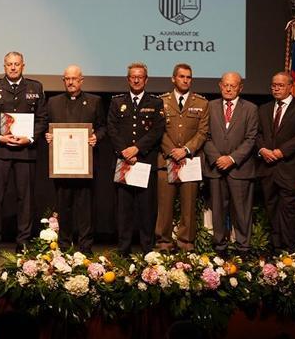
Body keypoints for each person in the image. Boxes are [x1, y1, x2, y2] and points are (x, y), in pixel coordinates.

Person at [0, 51, 48, 256]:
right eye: (9, 64)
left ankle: (23, 242)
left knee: (25, 200)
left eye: (17, 64)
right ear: (4, 66)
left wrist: (31, 138)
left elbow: (42, 119)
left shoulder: (35, 88)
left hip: (26, 152)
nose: (13, 67)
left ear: (23, 66)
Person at [106, 62, 165, 255]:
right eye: (133, 76)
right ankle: (124, 248)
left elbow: (158, 130)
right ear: (128, 79)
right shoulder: (117, 101)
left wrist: (137, 148)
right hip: (123, 161)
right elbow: (112, 128)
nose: (137, 79)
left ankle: (148, 249)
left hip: (145, 162)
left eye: (140, 76)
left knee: (147, 209)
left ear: (146, 80)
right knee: (124, 209)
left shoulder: (155, 102)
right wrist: (125, 151)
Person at [44, 65, 103, 253]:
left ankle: (85, 246)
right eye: (67, 79)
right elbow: (46, 126)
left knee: (85, 208)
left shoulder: (95, 101)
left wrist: (97, 137)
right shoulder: (53, 102)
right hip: (62, 166)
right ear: (64, 81)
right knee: (64, 206)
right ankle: (63, 245)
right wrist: (48, 136)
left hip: (84, 165)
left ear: (81, 80)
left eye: (74, 79)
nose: (70, 82)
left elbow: (103, 127)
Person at [256, 71, 295, 252]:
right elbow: (257, 134)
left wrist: (281, 152)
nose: (276, 88)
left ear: (291, 87)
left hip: (290, 168)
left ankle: (290, 250)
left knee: (288, 211)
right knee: (271, 209)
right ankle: (275, 249)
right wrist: (263, 149)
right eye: (274, 85)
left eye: (280, 85)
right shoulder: (263, 109)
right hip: (267, 168)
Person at [202, 72, 259, 253]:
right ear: (220, 85)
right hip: (216, 167)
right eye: (225, 85)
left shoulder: (250, 108)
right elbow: (205, 135)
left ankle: (243, 247)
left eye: (233, 85)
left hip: (240, 169)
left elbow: (251, 138)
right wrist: (217, 158)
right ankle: (219, 247)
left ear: (240, 88)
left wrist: (232, 159)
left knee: (242, 212)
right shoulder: (209, 106)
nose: (228, 88)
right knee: (218, 211)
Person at [154, 63, 208, 252]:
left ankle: (186, 244)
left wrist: (185, 150)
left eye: (188, 77)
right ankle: (163, 243)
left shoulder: (201, 103)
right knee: (165, 207)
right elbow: (158, 130)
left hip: (189, 161)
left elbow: (203, 132)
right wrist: (172, 151)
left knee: (188, 207)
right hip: (166, 160)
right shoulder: (161, 101)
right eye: (182, 76)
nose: (185, 80)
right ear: (173, 78)